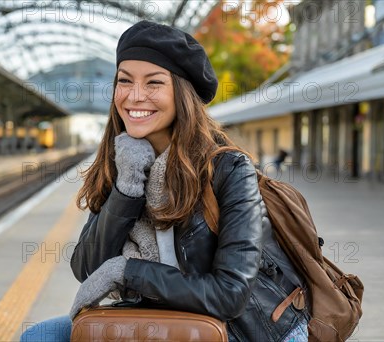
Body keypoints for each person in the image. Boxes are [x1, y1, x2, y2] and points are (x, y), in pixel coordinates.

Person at [20, 20, 309, 342]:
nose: (135, 96)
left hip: (245, 328)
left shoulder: (229, 169)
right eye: (124, 81)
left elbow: (229, 294)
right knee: (41, 336)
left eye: (154, 83)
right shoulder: (121, 162)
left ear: (182, 94)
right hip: (159, 316)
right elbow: (87, 269)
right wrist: (126, 188)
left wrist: (127, 272)